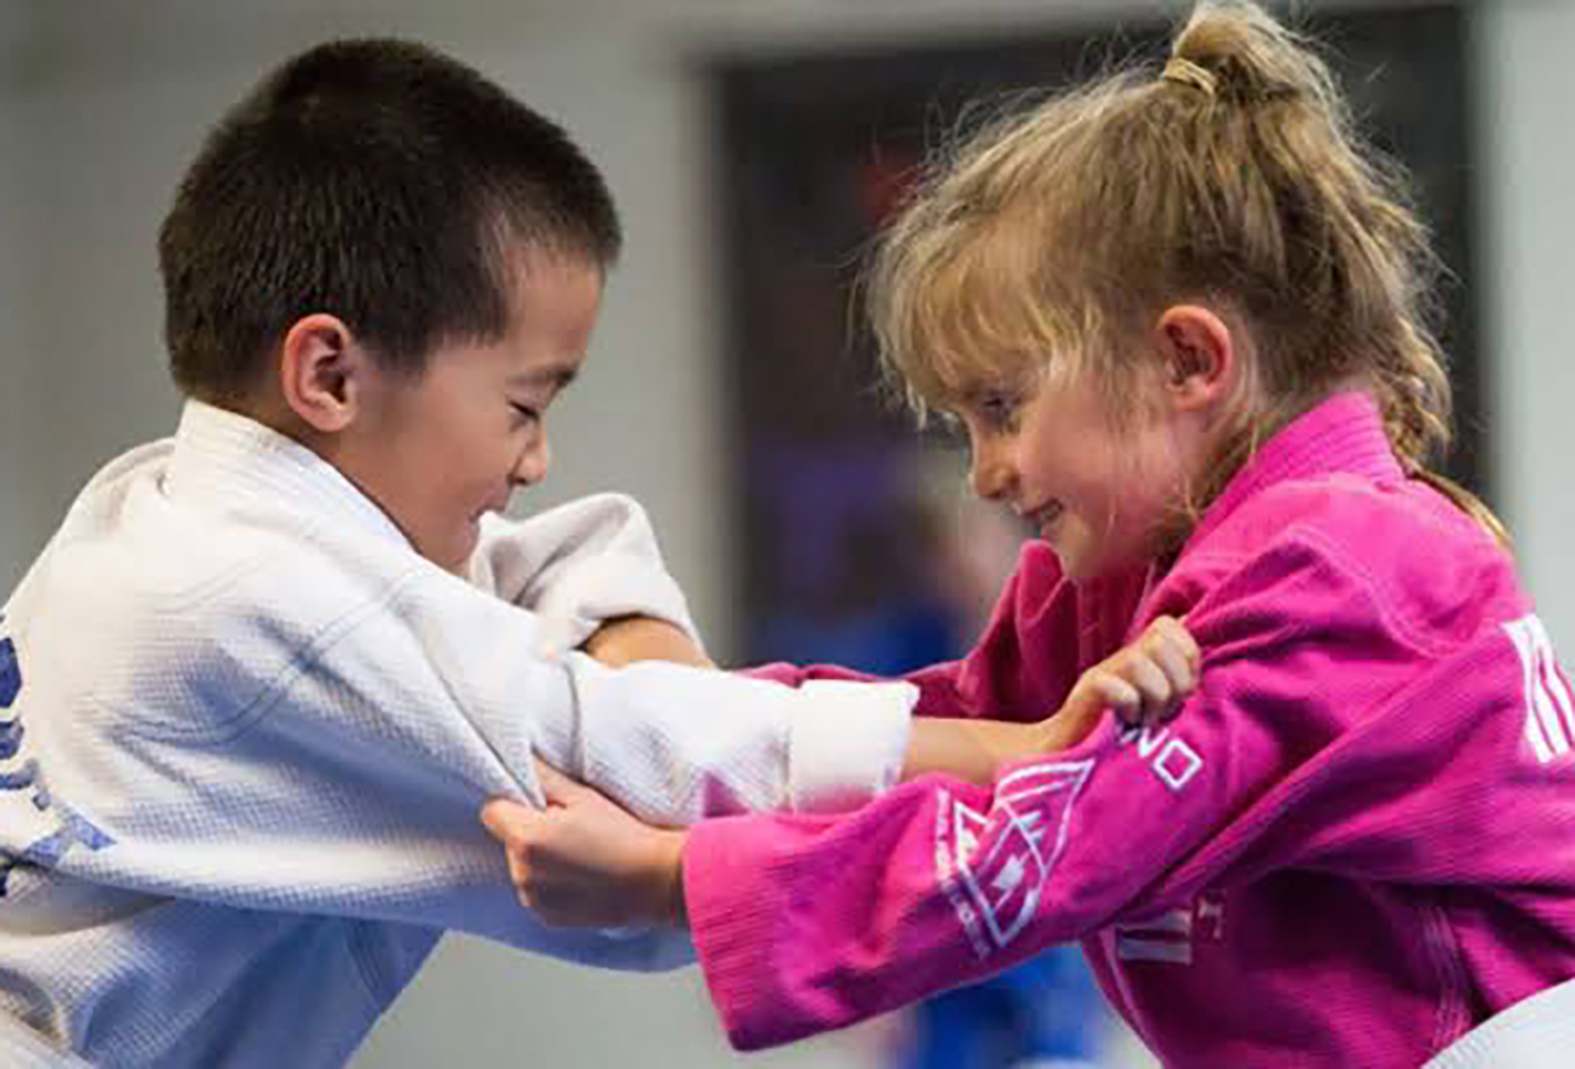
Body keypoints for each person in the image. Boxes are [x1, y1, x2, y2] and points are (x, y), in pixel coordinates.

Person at [0, 37, 1201, 1069]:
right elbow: (630, 773)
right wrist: (1031, 750)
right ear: (329, 374)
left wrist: (662, 693)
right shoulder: (247, 602)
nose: (535, 461)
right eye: (523, 407)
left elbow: (577, 550)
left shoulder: (168, 512)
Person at [480, 2, 1575, 1066]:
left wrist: (677, 878)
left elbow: (1067, 839)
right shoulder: (1117, 576)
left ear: (1188, 362)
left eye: (1002, 410)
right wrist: (666, 739)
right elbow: (945, 736)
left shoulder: (1348, 568)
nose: (991, 474)